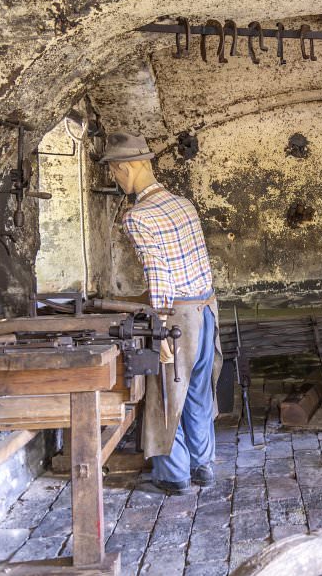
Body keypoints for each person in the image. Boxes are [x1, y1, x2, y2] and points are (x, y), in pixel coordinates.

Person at [101, 132, 222, 495]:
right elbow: (193, 264)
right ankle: (202, 463)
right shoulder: (184, 204)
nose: (115, 179)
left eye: (114, 172)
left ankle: (175, 474)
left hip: (179, 318)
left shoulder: (138, 217)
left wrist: (162, 329)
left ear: (127, 167)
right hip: (206, 309)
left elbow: (159, 275)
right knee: (198, 390)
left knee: (168, 396)